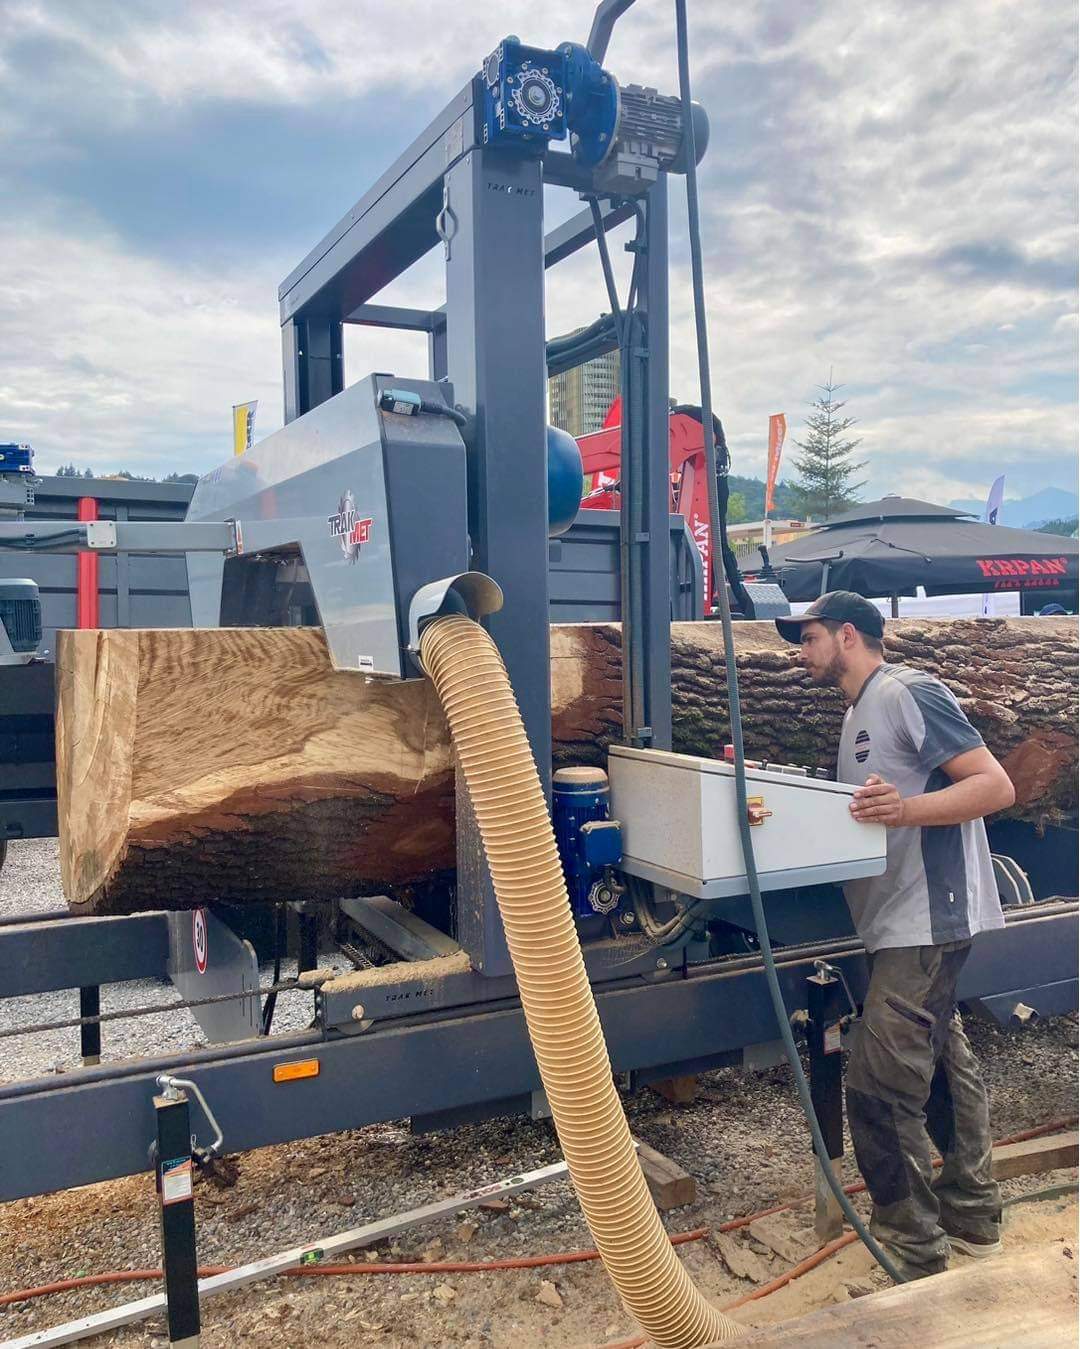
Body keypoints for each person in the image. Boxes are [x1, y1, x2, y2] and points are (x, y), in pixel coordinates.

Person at [776, 591, 1016, 1280]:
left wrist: (904, 810)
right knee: (939, 1064)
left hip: (928, 919)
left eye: (810, 637)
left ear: (849, 635)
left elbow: (994, 786)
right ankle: (972, 1216)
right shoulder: (857, 713)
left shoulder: (907, 692)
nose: (801, 652)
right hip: (896, 922)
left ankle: (913, 1250)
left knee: (879, 1086)